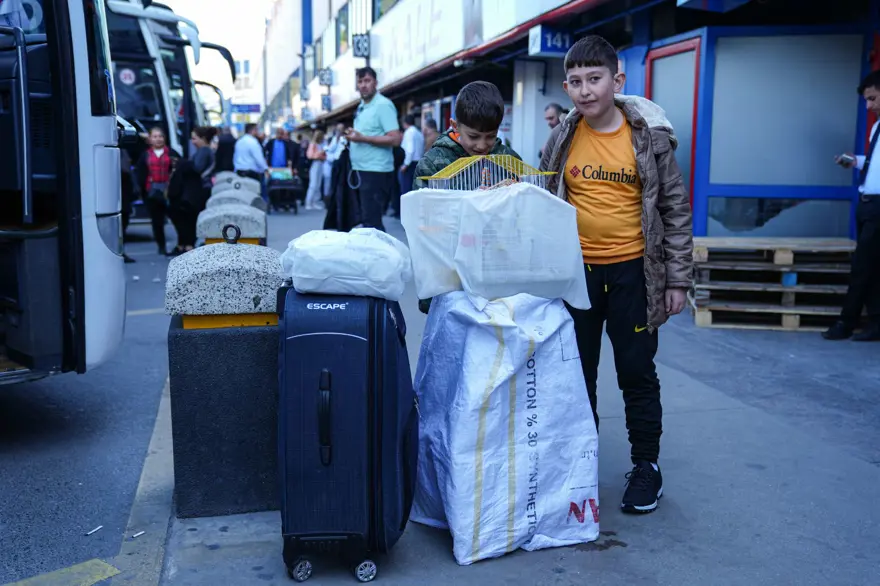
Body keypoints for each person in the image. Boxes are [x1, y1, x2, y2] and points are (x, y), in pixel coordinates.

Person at [540, 35, 693, 515]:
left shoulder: (648, 136)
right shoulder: (564, 136)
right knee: (575, 376)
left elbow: (674, 207)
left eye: (595, 79)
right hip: (576, 276)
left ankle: (646, 467)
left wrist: (677, 279)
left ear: (617, 80)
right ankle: (580, 462)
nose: (585, 91)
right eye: (576, 82)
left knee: (635, 373)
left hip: (634, 273)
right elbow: (542, 196)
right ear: (567, 86)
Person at [414, 81, 522, 314]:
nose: (482, 145)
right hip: (448, 274)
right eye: (473, 136)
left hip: (496, 273)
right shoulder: (433, 163)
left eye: (490, 136)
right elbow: (421, 224)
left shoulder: (509, 160)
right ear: (455, 125)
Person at [825, 70, 880, 342]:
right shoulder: (877, 127)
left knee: (861, 266)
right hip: (868, 203)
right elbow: (876, 165)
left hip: (879, 207)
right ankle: (875, 324)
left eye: (872, 99)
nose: (869, 106)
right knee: (872, 267)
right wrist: (854, 161)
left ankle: (846, 323)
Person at [345, 66, 402, 231]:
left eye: (367, 81)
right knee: (365, 221)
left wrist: (362, 138)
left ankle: (382, 256)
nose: (363, 85)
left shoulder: (383, 105)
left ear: (375, 83)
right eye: (360, 81)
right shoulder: (362, 106)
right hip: (360, 170)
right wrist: (354, 135)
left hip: (376, 172)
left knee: (373, 223)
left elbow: (395, 138)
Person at [168, 126, 216, 254]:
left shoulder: (204, 151)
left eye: (194, 138)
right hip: (201, 188)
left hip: (199, 190)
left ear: (203, 139)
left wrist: (182, 164)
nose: (192, 141)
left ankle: (187, 244)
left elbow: (197, 168)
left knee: (189, 217)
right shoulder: (205, 151)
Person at [134, 127, 179, 256]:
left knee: (176, 218)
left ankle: (182, 244)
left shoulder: (171, 153)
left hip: (169, 190)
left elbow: (178, 168)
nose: (158, 139)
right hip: (152, 191)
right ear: (149, 139)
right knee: (157, 221)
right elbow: (140, 173)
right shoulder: (145, 155)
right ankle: (161, 246)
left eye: (160, 136)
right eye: (155, 136)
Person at [397, 114, 425, 215]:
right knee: (415, 190)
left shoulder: (409, 133)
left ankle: (406, 214)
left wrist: (405, 164)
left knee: (406, 190)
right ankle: (414, 213)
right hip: (417, 162)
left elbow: (410, 149)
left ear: (405, 123)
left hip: (410, 164)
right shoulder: (418, 132)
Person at [304, 130, 327, 210]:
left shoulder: (321, 144)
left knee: (318, 184)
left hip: (321, 164)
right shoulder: (313, 144)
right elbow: (310, 155)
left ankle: (315, 202)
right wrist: (320, 154)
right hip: (315, 164)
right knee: (313, 184)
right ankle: (308, 202)